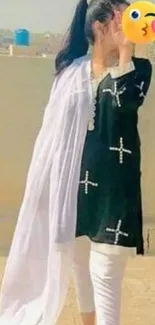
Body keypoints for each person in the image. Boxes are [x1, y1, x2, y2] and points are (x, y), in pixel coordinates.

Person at [0, 1, 152, 325]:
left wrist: (126, 54)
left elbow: (121, 108)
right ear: (100, 26)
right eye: (120, 18)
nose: (126, 26)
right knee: (82, 272)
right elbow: (50, 138)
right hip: (76, 195)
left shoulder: (138, 71)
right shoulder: (70, 74)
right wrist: (42, 192)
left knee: (104, 276)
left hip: (114, 199)